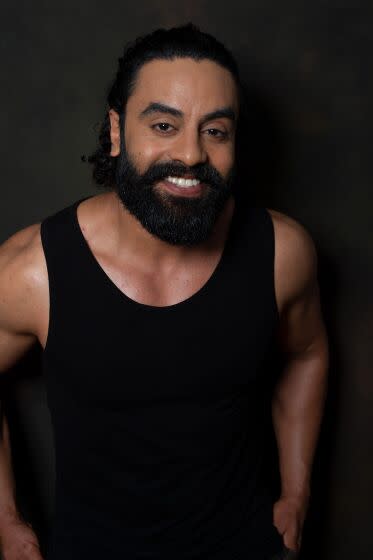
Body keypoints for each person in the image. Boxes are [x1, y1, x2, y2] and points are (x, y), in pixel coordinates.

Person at [0, 23, 329, 560]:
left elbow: (308, 353)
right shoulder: (32, 270)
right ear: (116, 130)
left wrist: (297, 493)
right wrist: (7, 525)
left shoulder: (283, 254)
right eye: (163, 124)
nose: (192, 155)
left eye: (215, 131)